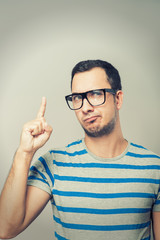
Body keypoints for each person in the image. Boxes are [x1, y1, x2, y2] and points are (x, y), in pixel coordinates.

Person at [0, 60, 160, 240]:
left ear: (118, 99)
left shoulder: (154, 168)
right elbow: (5, 229)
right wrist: (24, 153)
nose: (85, 108)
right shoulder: (54, 163)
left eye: (96, 94)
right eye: (77, 97)